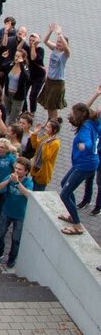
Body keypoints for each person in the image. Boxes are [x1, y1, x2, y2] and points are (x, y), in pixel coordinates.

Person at [58, 89, 101, 236]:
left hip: (85, 164)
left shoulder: (84, 129)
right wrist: (96, 94)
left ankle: (78, 225)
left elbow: (88, 142)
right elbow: (85, 108)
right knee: (64, 184)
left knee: (64, 194)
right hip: (85, 163)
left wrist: (84, 146)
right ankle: (72, 215)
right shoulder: (92, 122)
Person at [0, 158, 34, 269]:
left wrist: (17, 182)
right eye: (16, 168)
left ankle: (12, 258)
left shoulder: (29, 182)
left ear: (26, 171)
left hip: (20, 215)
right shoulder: (10, 177)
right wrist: (8, 181)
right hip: (6, 211)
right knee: (0, 234)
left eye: (20, 169)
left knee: (16, 239)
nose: (17, 171)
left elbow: (28, 195)